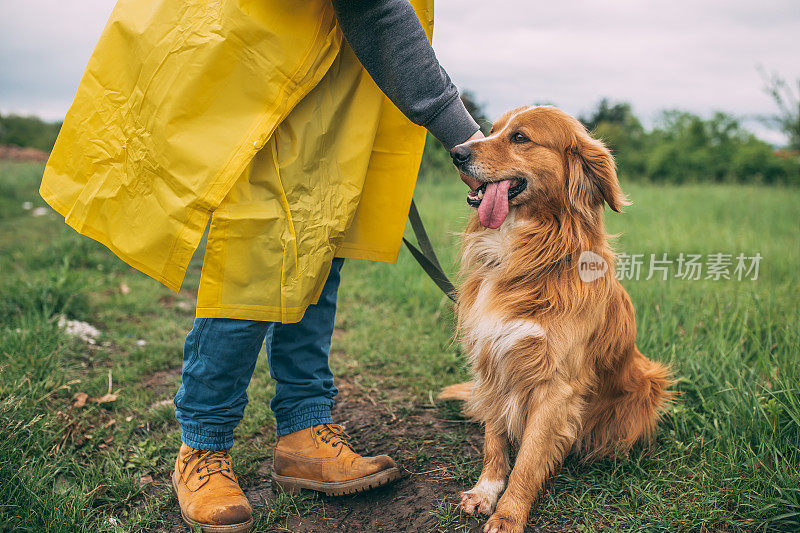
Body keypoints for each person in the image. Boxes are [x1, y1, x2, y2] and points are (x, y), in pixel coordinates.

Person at [40, 0, 484, 531]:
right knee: (250, 263)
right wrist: (463, 134)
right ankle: (202, 446)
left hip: (334, 87)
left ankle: (304, 431)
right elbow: (375, 8)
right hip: (262, 76)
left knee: (321, 248)